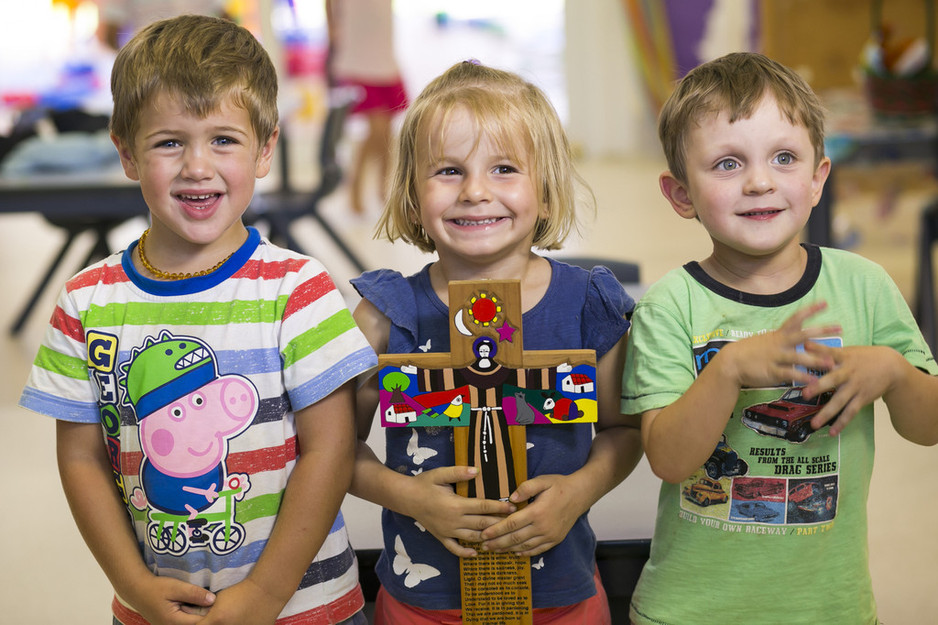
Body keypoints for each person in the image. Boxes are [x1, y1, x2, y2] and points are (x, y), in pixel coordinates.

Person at [18, 15, 377, 625]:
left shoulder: (298, 288)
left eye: (223, 140)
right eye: (168, 142)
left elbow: (332, 450)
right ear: (127, 153)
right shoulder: (85, 301)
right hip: (156, 609)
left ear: (265, 148)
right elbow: (80, 458)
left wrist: (265, 595)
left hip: (307, 607)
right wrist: (133, 585)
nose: (196, 166)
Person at [621, 51, 938, 625]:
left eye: (784, 158)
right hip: (690, 610)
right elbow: (668, 460)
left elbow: (928, 427)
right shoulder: (671, 305)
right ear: (681, 195)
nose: (760, 181)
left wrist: (893, 370)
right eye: (726, 164)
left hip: (830, 608)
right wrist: (729, 369)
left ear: (818, 179)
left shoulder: (863, 286)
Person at [349, 60, 643, 624]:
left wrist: (579, 492)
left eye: (504, 168)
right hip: (423, 601)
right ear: (412, 195)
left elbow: (624, 432)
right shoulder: (386, 316)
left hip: (561, 595)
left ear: (548, 191)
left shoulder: (587, 307)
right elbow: (334, 451)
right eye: (449, 171)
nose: (476, 191)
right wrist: (407, 497)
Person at [325, 0, 408, 215]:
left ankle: (382, 190)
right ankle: (358, 187)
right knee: (378, 129)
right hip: (357, 55)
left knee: (386, 132)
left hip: (384, 54)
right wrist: (332, 28)